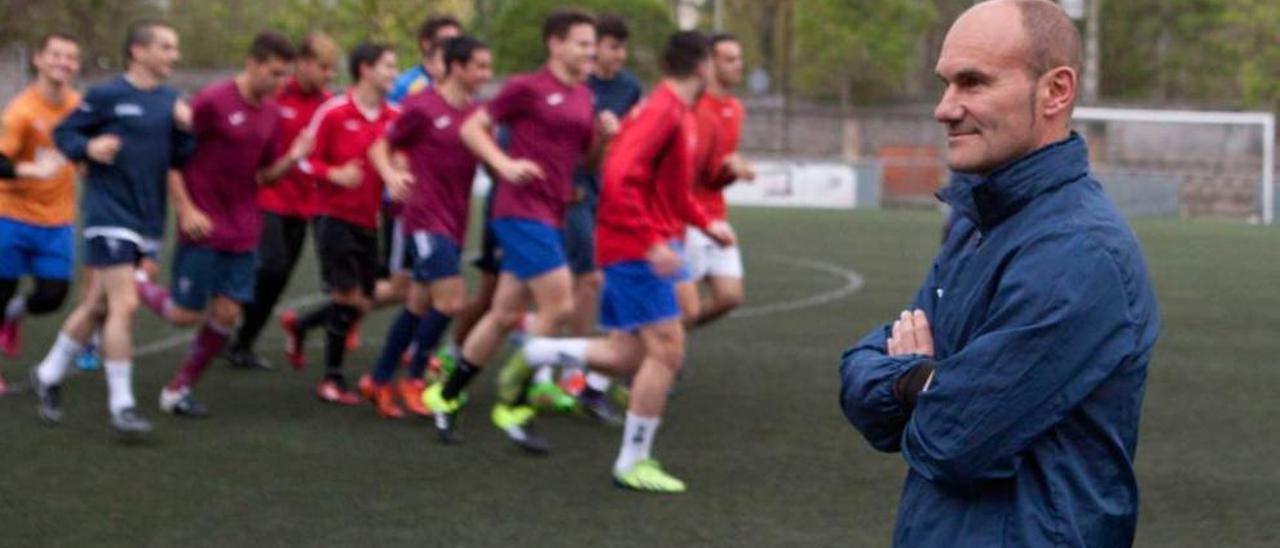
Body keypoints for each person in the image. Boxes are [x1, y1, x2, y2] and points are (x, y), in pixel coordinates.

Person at [837, 1, 1159, 545]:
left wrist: (913, 376)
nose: (945, 108)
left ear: (1055, 91)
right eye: (945, 84)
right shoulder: (975, 222)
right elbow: (859, 377)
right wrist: (923, 380)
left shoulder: (1081, 252)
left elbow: (953, 440)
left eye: (973, 83)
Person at [517, 31, 735, 493]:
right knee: (668, 350)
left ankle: (536, 352)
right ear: (702, 67)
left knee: (628, 354)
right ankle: (633, 461)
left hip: (645, 242)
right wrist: (650, 241)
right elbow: (618, 177)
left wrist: (703, 221)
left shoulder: (674, 110)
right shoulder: (663, 111)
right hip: (637, 248)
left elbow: (673, 191)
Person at [424, 9, 604, 452]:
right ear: (555, 44)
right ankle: (516, 401)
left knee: (504, 315)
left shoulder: (584, 97)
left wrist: (607, 138)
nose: (590, 51)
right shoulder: (527, 88)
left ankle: (446, 397)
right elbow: (473, 127)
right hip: (519, 210)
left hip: (552, 213)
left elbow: (585, 162)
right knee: (559, 304)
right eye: (582, 42)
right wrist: (503, 164)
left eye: (592, 43)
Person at [31, 20, 193, 437]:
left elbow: (181, 158)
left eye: (175, 48)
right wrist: (88, 147)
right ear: (138, 51)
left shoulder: (171, 102)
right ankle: (122, 406)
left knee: (99, 305)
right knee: (125, 305)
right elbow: (63, 132)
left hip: (149, 218)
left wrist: (187, 130)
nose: (174, 56)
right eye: (166, 47)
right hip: (108, 215)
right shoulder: (105, 96)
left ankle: (48, 374)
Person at [132, 32, 303, 417]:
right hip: (203, 226)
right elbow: (173, 160)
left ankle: (178, 389)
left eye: (285, 77)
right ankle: (134, 283)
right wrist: (187, 209)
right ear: (253, 64)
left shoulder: (273, 114)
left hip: (243, 228)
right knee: (185, 315)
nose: (280, 84)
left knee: (227, 315)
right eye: (275, 74)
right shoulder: (211, 102)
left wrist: (294, 157)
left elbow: (264, 176)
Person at [361, 35, 492, 418]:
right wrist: (390, 174)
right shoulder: (422, 107)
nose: (487, 74)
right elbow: (379, 147)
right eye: (480, 66)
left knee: (418, 303)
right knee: (451, 301)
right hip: (423, 217)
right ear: (457, 67)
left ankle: (380, 379)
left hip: (455, 218)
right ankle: (414, 379)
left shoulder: (478, 113)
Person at [281, 42, 402, 405]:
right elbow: (305, 161)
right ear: (365, 69)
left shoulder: (394, 117)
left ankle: (300, 326)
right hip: (332, 217)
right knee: (347, 296)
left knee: (363, 302)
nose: (394, 74)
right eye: (388, 66)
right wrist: (333, 173)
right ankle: (331, 380)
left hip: (369, 220)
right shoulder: (333, 112)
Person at [538, 12, 643, 423]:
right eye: (608, 46)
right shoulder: (575, 84)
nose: (615, 55)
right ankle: (556, 369)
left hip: (602, 193)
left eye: (622, 48)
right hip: (565, 194)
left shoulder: (630, 87)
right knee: (573, 282)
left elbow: (628, 142)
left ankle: (561, 370)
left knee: (579, 283)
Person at [226, 33, 340, 371]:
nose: (329, 74)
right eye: (323, 67)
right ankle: (226, 320)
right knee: (270, 265)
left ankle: (242, 341)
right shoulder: (274, 94)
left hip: (304, 205)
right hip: (265, 196)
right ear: (303, 64)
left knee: (277, 278)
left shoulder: (328, 104)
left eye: (332, 69)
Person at [0, 33, 81, 394]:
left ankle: (14, 315)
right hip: (12, 213)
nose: (62, 62)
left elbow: (85, 146)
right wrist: (30, 170)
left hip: (57, 219)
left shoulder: (79, 108)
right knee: (1, 291)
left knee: (53, 296)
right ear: (39, 59)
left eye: (70, 57)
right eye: (56, 55)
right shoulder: (21, 110)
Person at [678, 32, 755, 329]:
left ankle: (663, 341)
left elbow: (715, 175)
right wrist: (727, 167)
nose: (739, 65)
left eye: (740, 58)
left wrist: (732, 169)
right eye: (730, 59)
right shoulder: (695, 107)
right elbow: (686, 173)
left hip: (715, 213)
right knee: (685, 304)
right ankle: (659, 347)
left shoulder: (735, 109)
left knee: (730, 296)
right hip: (689, 217)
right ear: (709, 63)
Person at [388, 15, 463, 104]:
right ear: (426, 44)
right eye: (447, 41)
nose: (455, 47)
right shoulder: (404, 85)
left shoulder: (466, 83)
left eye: (459, 41)